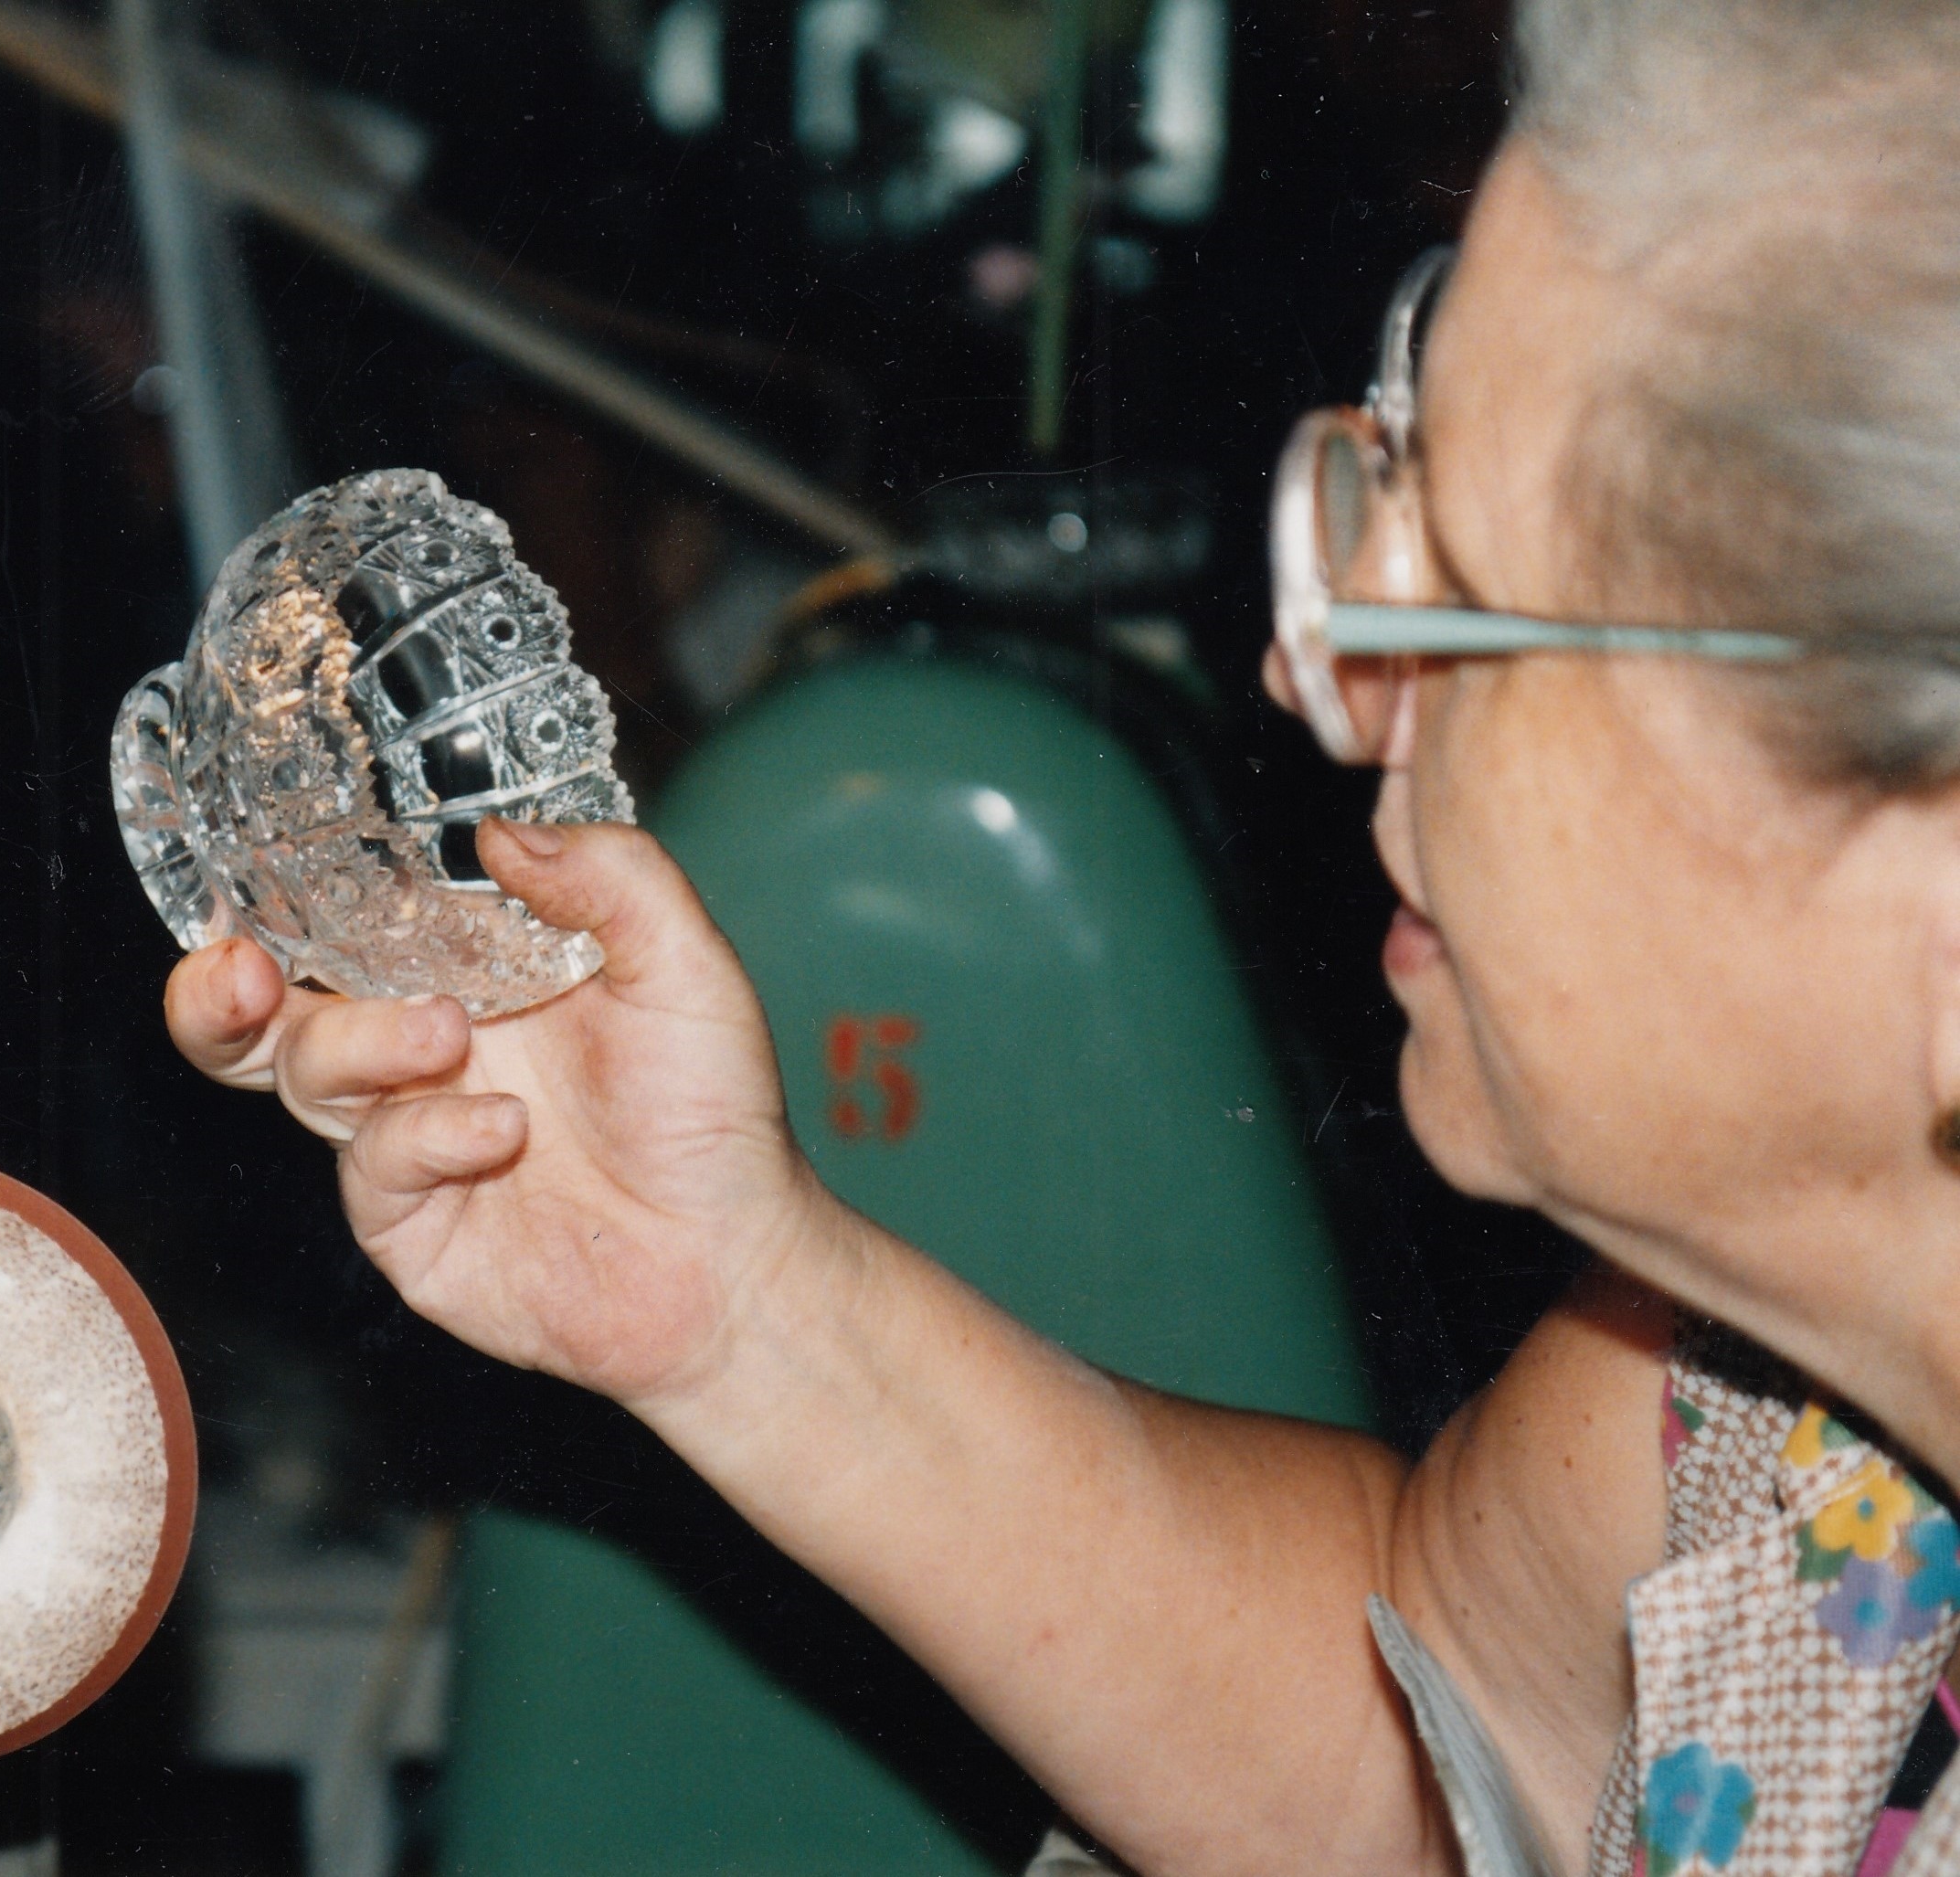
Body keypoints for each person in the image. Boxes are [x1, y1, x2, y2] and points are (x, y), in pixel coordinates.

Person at [163, 3, 1960, 1873]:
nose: (1314, 681)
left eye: (1460, 615)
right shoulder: (1765, 1395)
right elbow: (1447, 1732)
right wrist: (738, 1302)